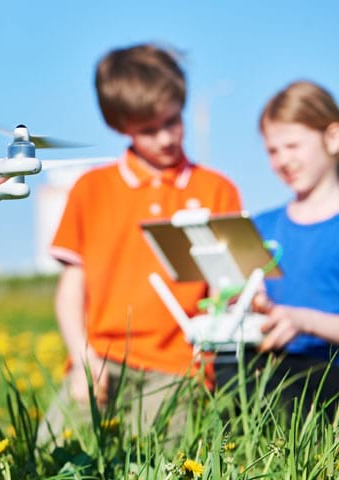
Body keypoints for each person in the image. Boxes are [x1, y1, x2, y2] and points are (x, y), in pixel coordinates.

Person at [41, 44, 242, 439]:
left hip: (179, 366)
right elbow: (70, 290)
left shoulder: (218, 190)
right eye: (149, 131)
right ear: (121, 126)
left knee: (161, 462)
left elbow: (228, 285)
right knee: (51, 453)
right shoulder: (90, 189)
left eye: (173, 121)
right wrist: (83, 358)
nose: (166, 138)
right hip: (101, 359)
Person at [217, 80, 339, 415]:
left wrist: (304, 321)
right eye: (273, 150)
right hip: (275, 371)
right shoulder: (261, 227)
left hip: (329, 370)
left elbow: (303, 318)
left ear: (333, 137)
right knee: (232, 368)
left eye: (293, 146)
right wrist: (249, 307)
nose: (282, 160)